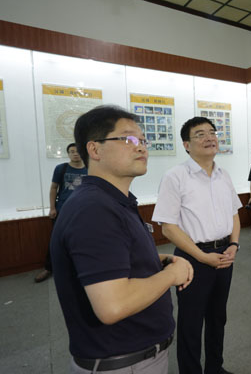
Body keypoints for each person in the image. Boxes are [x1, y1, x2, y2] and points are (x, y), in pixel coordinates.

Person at [51, 105, 193, 374]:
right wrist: (171, 275)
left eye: (143, 140)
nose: (141, 147)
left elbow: (109, 261)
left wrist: (156, 260)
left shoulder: (111, 201)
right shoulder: (94, 209)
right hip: (123, 364)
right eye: (128, 139)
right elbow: (112, 305)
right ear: (95, 149)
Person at [152, 116, 242, 374]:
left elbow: (234, 214)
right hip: (192, 259)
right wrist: (202, 257)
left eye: (212, 132)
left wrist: (234, 244)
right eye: (200, 134)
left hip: (224, 255)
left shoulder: (223, 175)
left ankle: (215, 368)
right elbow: (168, 227)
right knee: (191, 322)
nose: (209, 138)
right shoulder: (175, 176)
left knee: (218, 317)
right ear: (186, 145)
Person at [35, 143, 87, 283]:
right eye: (72, 151)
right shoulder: (61, 168)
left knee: (82, 240)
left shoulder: (90, 169)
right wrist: (52, 208)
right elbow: (54, 188)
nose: (75, 154)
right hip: (63, 210)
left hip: (83, 211)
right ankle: (49, 268)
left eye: (78, 151)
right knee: (56, 240)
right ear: (68, 154)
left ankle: (80, 267)